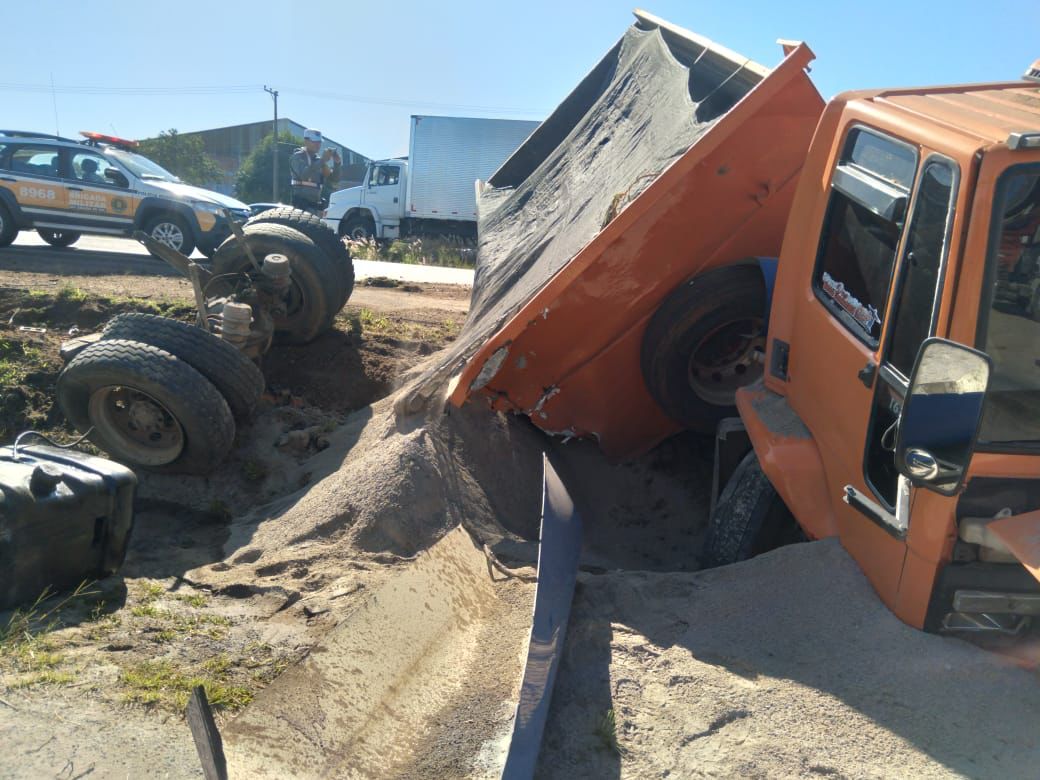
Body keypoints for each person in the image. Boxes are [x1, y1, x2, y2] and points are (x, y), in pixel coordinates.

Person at [289, 128, 341, 214]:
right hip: (301, 205)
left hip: (315, 206)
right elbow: (304, 175)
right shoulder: (297, 156)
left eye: (319, 142)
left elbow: (333, 180)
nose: (318, 145)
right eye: (314, 141)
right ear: (306, 141)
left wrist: (337, 163)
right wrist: (322, 160)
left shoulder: (319, 160)